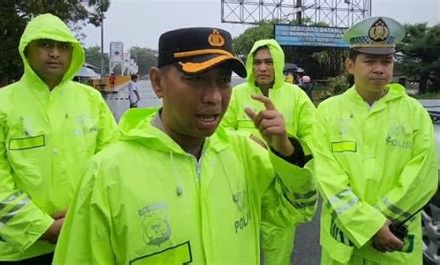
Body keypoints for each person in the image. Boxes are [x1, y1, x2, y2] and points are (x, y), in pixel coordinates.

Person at [53, 27, 315, 265]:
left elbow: (297, 210)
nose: (213, 97)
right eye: (196, 79)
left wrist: (286, 151)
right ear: (157, 82)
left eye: (223, 80)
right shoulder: (107, 174)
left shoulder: (243, 154)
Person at [0, 13, 117, 264]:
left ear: (73, 53)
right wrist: (42, 227)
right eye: (45, 44)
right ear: (27, 51)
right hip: (16, 252)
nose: (55, 53)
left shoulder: (91, 100)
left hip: (82, 241)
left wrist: (82, 213)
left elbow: (111, 162)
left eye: (63, 46)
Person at [312, 16, 438, 265]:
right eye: (370, 61)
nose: (379, 69)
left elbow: (423, 177)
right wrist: (371, 225)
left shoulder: (414, 113)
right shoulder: (327, 112)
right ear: (350, 65)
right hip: (342, 249)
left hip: (395, 247)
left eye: (386, 61)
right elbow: (327, 178)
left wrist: (379, 224)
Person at [221, 39, 317, 265]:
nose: (262, 68)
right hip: (243, 189)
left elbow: (314, 139)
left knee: (278, 255)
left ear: (279, 64)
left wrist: (283, 144)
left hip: (281, 194)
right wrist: (249, 140)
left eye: (269, 62)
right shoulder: (237, 94)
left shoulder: (297, 96)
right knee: (238, 252)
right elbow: (219, 132)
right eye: (257, 62)